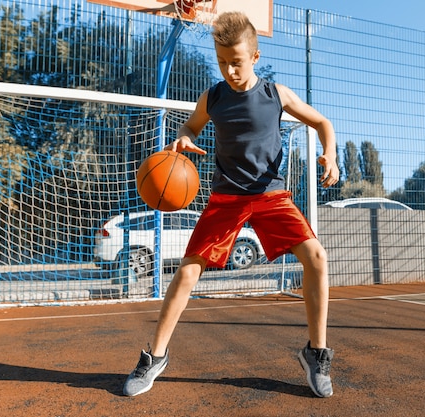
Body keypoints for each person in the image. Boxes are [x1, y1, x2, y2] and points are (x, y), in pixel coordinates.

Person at [123, 11, 340, 398]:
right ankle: (154, 356)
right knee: (188, 272)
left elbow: (323, 123)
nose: (229, 70)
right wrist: (184, 138)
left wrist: (331, 155)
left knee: (317, 258)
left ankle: (316, 353)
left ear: (254, 58)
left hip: (270, 195)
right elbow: (190, 125)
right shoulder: (214, 96)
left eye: (236, 62)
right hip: (226, 198)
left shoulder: (277, 94)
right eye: (222, 62)